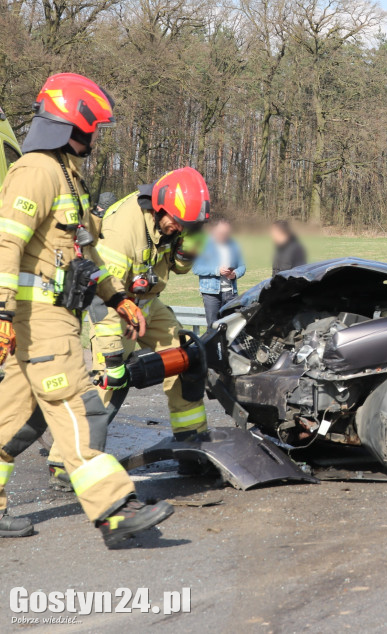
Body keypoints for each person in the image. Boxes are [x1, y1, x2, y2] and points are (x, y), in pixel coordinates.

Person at [0, 73, 173, 544]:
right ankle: (115, 510)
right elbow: (6, 241)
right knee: (79, 409)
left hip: (52, 317)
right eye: (90, 127)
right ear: (66, 123)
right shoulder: (36, 171)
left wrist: (118, 299)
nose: (94, 137)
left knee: (15, 418)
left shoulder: (67, 176)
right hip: (38, 317)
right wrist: (0, 312)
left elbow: (85, 256)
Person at [46, 168, 212, 488]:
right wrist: (111, 356)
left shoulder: (174, 224)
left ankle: (190, 444)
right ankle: (66, 460)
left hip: (147, 304)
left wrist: (189, 245)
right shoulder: (123, 230)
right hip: (113, 304)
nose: (179, 229)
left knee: (183, 355)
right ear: (159, 207)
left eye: (187, 226)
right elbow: (102, 291)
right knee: (108, 381)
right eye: (178, 223)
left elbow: (176, 266)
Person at [194, 218, 245, 326]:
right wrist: (217, 270)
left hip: (231, 293)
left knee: (232, 327)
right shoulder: (204, 244)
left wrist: (235, 274)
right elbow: (196, 268)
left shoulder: (233, 244)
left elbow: (242, 266)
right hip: (211, 294)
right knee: (213, 327)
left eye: (227, 233)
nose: (225, 235)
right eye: (222, 232)